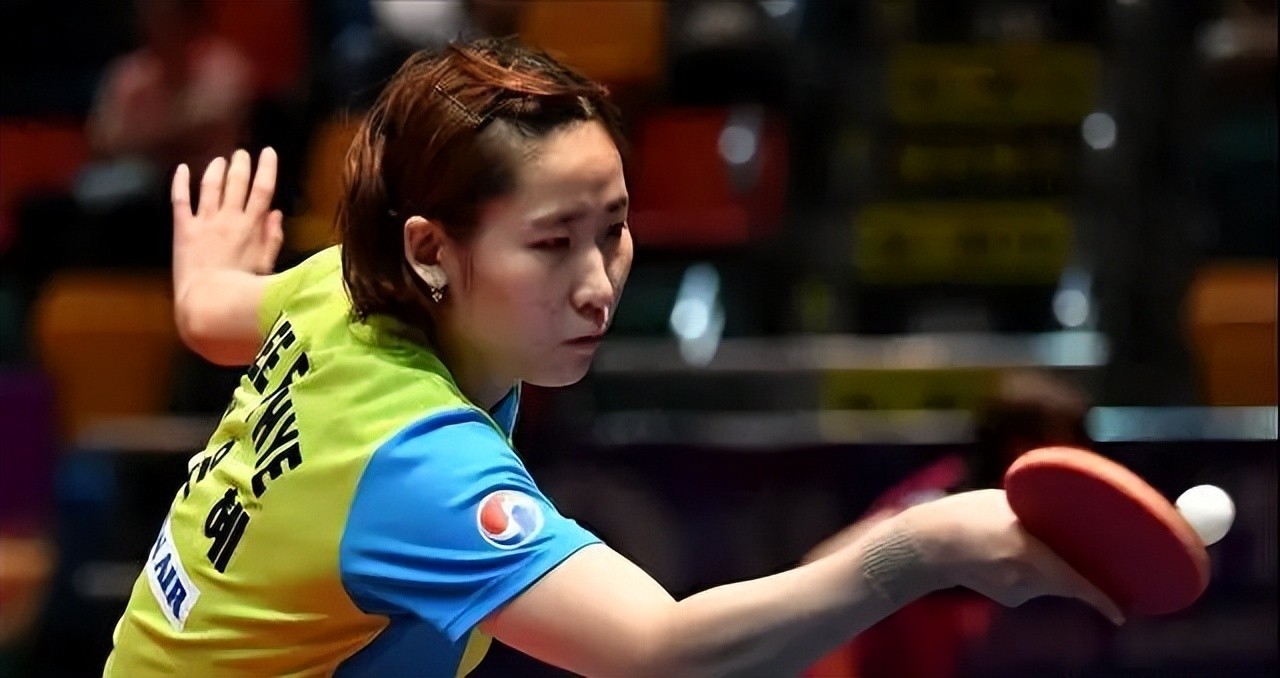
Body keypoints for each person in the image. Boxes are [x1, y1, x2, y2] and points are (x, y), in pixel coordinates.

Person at [104, 38, 1123, 677]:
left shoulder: (338, 285)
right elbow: (660, 654)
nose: (598, 282)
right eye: (552, 242)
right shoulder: (417, 465)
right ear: (431, 250)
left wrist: (204, 280)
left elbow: (213, 316)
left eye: (614, 228)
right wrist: (924, 549)